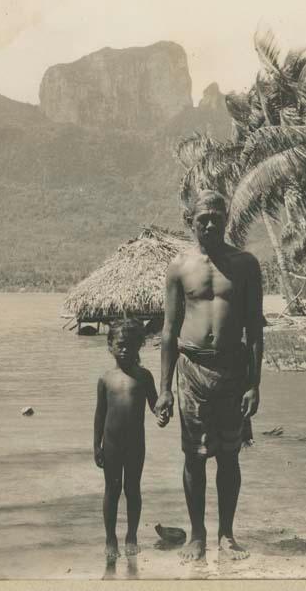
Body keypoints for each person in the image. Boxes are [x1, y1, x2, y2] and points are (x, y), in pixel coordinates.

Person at [154, 189, 263, 562]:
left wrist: (254, 383)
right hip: (192, 370)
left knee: (229, 457)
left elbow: (255, 329)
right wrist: (165, 389)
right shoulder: (179, 267)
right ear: (191, 220)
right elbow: (169, 330)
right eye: (204, 218)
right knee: (195, 457)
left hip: (233, 371)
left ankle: (226, 536)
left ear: (227, 218)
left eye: (218, 216)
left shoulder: (246, 264)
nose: (211, 223)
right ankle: (197, 536)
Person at [94, 318, 167, 560]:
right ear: (110, 346)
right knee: (112, 490)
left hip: (136, 444)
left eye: (130, 345)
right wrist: (96, 445)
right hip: (111, 443)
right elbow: (99, 414)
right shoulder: (105, 379)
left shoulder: (144, 377)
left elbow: (155, 404)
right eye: (120, 345)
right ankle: (110, 538)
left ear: (139, 347)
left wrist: (162, 413)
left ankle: (131, 536)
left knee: (132, 489)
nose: (124, 349)